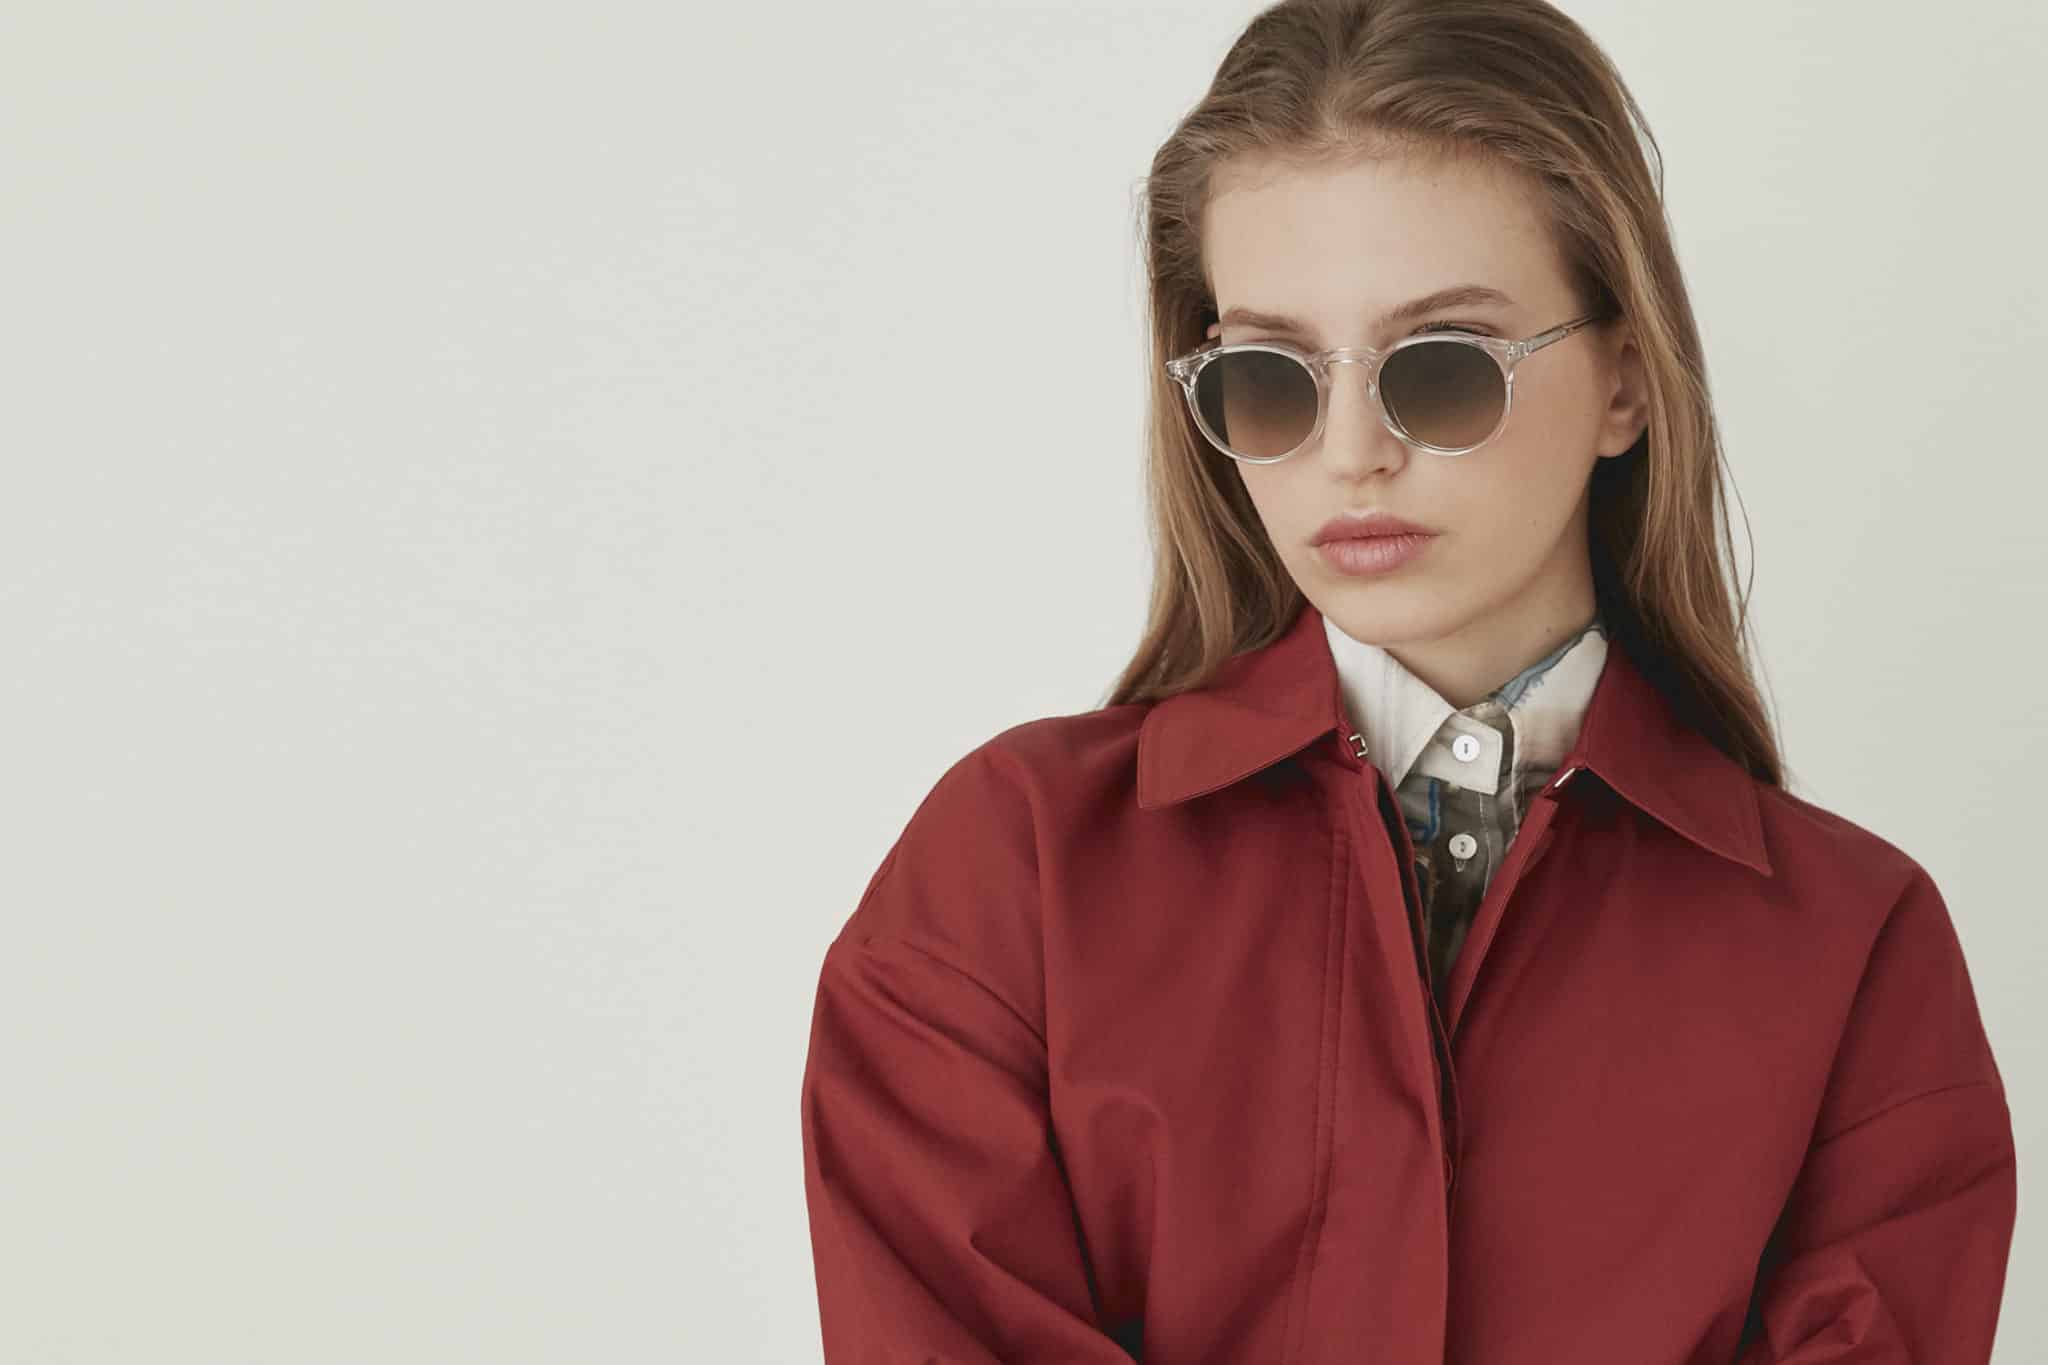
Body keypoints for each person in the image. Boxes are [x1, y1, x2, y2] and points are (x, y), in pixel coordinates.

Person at [797, 0, 2018, 1360]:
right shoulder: (1008, 874)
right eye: (1270, 378)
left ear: (1625, 381)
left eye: (1441, 371)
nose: (1351, 451)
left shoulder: (1856, 951)